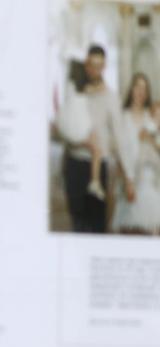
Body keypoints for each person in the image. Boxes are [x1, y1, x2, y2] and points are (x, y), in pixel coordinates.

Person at [56, 45, 124, 233]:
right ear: (86, 65)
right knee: (77, 222)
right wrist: (79, 142)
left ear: (104, 67)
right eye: (91, 65)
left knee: (97, 224)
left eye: (99, 65)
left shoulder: (111, 97)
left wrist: (124, 174)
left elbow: (118, 136)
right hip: (74, 163)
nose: (94, 69)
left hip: (97, 166)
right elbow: (64, 128)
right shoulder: (76, 92)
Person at [114, 73, 160, 234]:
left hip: (149, 179)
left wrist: (150, 139)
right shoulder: (123, 117)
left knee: (152, 230)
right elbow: (121, 151)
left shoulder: (152, 116)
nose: (140, 91)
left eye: (144, 88)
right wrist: (128, 180)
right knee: (130, 230)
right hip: (129, 177)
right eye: (137, 87)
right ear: (131, 90)